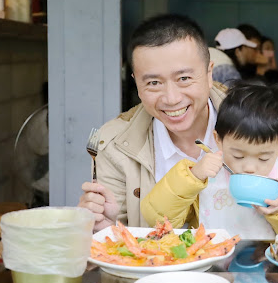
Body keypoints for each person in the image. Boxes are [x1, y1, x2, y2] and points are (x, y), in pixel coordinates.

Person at [78, 14, 228, 231]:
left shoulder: (255, 120)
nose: (172, 98)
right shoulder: (112, 144)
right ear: (136, 83)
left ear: (209, 73)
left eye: (184, 78)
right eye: (154, 83)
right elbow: (118, 246)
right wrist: (107, 228)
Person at [141, 81, 278, 239]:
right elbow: (158, 219)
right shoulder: (205, 172)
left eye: (263, 157)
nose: (249, 167)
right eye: (238, 155)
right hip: (214, 271)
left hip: (269, 275)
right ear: (218, 140)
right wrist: (192, 177)